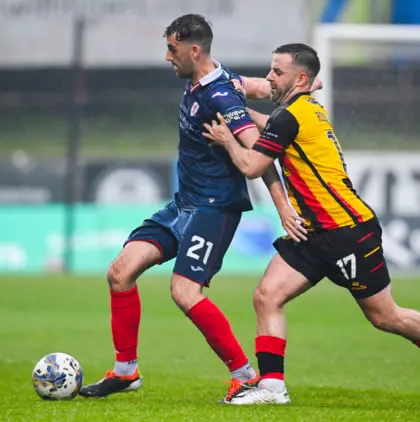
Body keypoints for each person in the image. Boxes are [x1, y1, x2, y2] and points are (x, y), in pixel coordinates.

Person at [203, 43, 420, 405]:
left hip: (348, 232)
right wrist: (240, 113)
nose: (270, 78)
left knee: (384, 316)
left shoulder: (292, 116)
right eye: (270, 70)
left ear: (300, 78)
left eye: (277, 72)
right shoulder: (304, 110)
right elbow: (271, 125)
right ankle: (272, 386)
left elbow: (252, 167)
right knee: (267, 295)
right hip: (313, 232)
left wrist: (227, 138)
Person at [79, 14, 297, 403]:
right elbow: (260, 85)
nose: (167, 57)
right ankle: (126, 372)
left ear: (194, 50)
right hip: (185, 204)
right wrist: (294, 86)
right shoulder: (215, 79)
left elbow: (259, 157)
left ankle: (245, 376)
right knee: (120, 272)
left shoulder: (220, 97)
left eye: (172, 49)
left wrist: (282, 208)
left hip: (215, 208)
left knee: (184, 291)